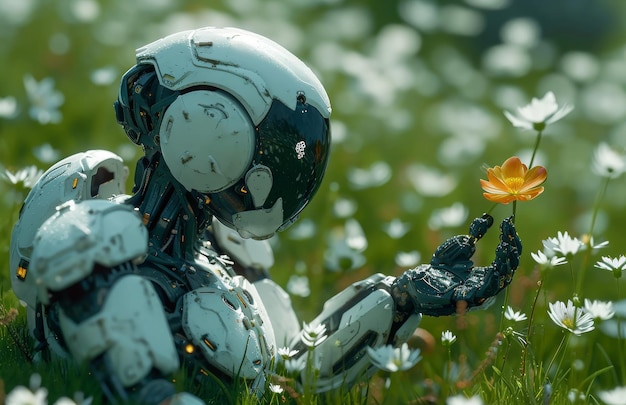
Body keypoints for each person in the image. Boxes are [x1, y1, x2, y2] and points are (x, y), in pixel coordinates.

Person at [10, 27, 521, 404]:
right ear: (208, 121)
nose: (291, 164)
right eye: (279, 143)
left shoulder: (226, 262)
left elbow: (295, 376)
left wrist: (404, 296)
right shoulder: (95, 240)